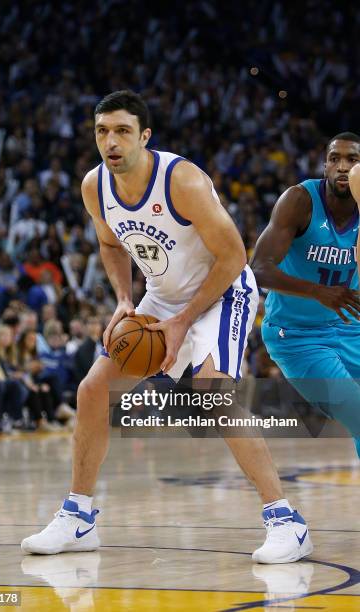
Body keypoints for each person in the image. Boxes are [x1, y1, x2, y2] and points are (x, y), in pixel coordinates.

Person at [21, 90, 312, 563]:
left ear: (145, 136)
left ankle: (287, 523)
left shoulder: (182, 181)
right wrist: (122, 300)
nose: (110, 142)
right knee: (93, 389)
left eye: (122, 131)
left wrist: (181, 321)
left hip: (222, 290)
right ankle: (77, 519)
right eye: (101, 131)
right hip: (161, 295)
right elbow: (110, 245)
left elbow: (235, 256)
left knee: (213, 395)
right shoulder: (95, 186)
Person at [251, 132, 360, 457]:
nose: (341, 167)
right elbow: (258, 268)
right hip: (297, 335)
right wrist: (318, 292)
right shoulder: (299, 201)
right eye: (334, 158)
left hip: (351, 329)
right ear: (324, 164)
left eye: (351, 160)